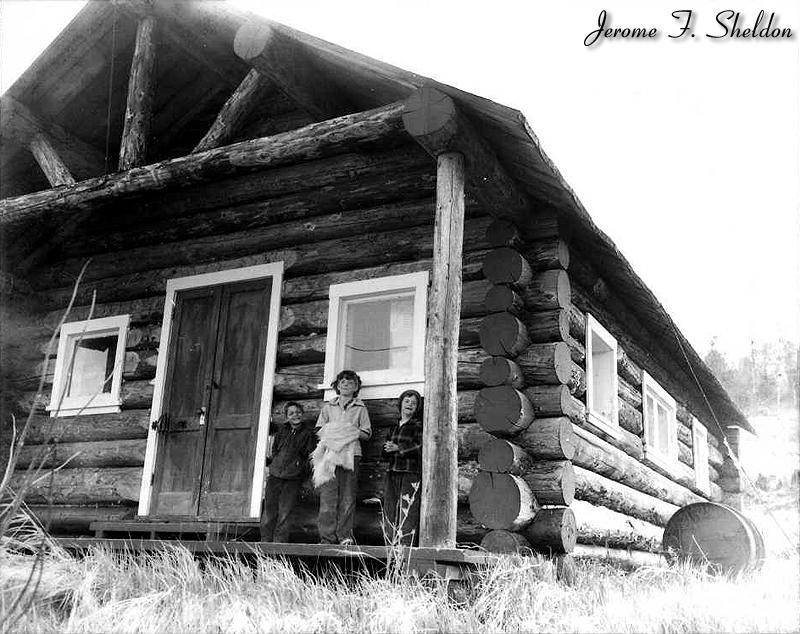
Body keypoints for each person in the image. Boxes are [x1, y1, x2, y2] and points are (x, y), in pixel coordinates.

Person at [311, 370, 371, 545]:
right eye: (342, 381)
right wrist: (335, 431)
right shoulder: (328, 407)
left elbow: (366, 434)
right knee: (328, 497)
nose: (346, 384)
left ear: (356, 387)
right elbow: (319, 431)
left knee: (347, 497)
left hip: (352, 456)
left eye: (350, 382)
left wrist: (350, 431)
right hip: (330, 456)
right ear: (337, 386)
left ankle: (344, 536)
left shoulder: (361, 408)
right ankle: (327, 538)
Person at [260, 401, 316, 543]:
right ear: (286, 416)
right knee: (269, 510)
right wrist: (275, 463)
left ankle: (279, 543)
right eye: (291, 413)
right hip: (275, 475)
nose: (295, 415)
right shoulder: (282, 431)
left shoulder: (308, 434)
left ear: (302, 414)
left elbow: (310, 456)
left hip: (293, 478)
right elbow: (275, 450)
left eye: (297, 412)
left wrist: (299, 469)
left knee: (285, 511)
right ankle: (265, 541)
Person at [382, 389, 423, 546]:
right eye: (407, 401)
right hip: (392, 471)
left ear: (417, 408)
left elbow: (419, 447)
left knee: (408, 510)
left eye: (414, 403)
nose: (410, 405)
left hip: (410, 472)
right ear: (400, 404)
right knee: (389, 509)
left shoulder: (417, 426)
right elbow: (385, 451)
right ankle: (389, 546)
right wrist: (387, 448)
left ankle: (405, 547)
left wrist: (398, 448)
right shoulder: (394, 426)